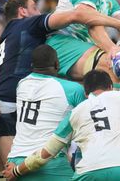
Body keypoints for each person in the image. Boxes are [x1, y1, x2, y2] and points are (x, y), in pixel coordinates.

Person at [0, 0, 120, 177]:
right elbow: (76, 15)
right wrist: (118, 24)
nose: (39, 12)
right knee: (14, 176)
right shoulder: (30, 23)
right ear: (23, 11)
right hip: (9, 107)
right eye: (35, 7)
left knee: (3, 177)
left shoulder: (6, 35)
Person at [7, 44, 86, 181]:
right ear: (57, 64)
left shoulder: (22, 84)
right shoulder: (73, 89)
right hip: (50, 161)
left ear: (32, 65)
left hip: (16, 159)